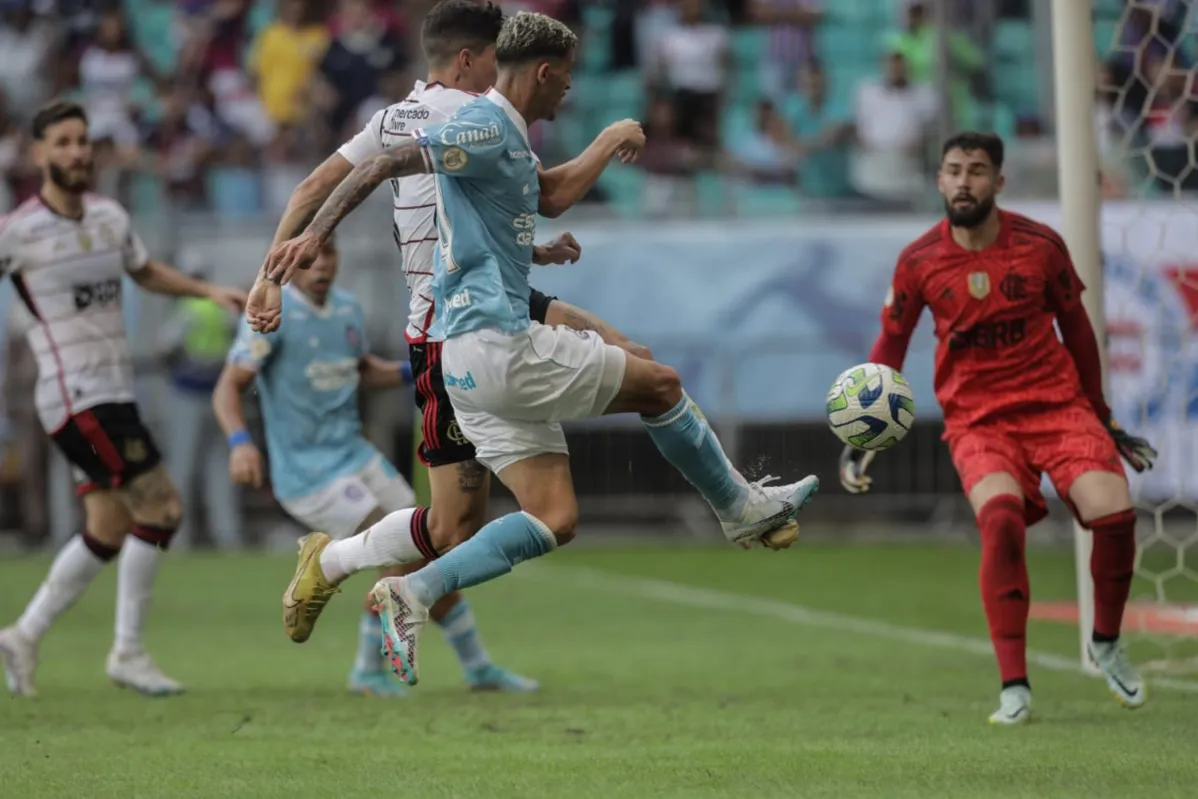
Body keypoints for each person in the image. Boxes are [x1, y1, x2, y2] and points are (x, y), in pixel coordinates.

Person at [256, 11, 820, 688]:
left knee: (547, 516)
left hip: (461, 355)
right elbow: (386, 164)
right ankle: (739, 508)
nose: (571, 92)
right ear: (533, 70)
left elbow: (535, 195)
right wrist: (314, 237)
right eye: (567, 79)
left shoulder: (496, 134)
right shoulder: (479, 121)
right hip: (490, 342)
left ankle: (394, 583)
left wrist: (546, 226)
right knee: (662, 384)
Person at [247, 0, 651, 647]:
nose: (505, 72)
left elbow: (312, 190)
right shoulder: (477, 117)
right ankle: (339, 570)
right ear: (469, 60)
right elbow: (546, 192)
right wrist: (608, 139)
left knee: (454, 525)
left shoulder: (392, 116)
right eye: (497, 58)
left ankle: (332, 566)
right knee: (466, 520)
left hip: (466, 312)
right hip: (456, 323)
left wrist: (267, 276)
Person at [839, 131, 1157, 725]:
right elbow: (892, 344)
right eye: (954, 170)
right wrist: (865, 435)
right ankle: (1015, 684)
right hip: (979, 418)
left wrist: (1102, 414)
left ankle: (1107, 641)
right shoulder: (919, 261)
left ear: (999, 182)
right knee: (1002, 520)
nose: (964, 181)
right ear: (939, 180)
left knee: (1114, 514)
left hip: (1057, 407)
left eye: (977, 171)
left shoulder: (1040, 246)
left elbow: (1079, 332)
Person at [213, 235, 536, 695]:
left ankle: (478, 667)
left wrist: (424, 372)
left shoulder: (347, 310)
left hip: (355, 455)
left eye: (329, 254)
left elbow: (361, 371)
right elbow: (228, 386)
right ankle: (367, 670)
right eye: (311, 259)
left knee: (430, 545)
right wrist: (240, 442)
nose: (322, 265)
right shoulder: (274, 315)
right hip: (310, 471)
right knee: (395, 547)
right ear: (290, 263)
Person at [0, 99, 246, 697]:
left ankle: (23, 635)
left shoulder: (109, 217)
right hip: (77, 397)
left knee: (108, 526)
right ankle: (127, 653)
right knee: (163, 509)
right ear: (39, 155)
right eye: (62, 142)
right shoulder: (20, 233)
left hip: (115, 393)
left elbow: (144, 271)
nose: (77, 152)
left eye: (82, 141)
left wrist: (208, 289)